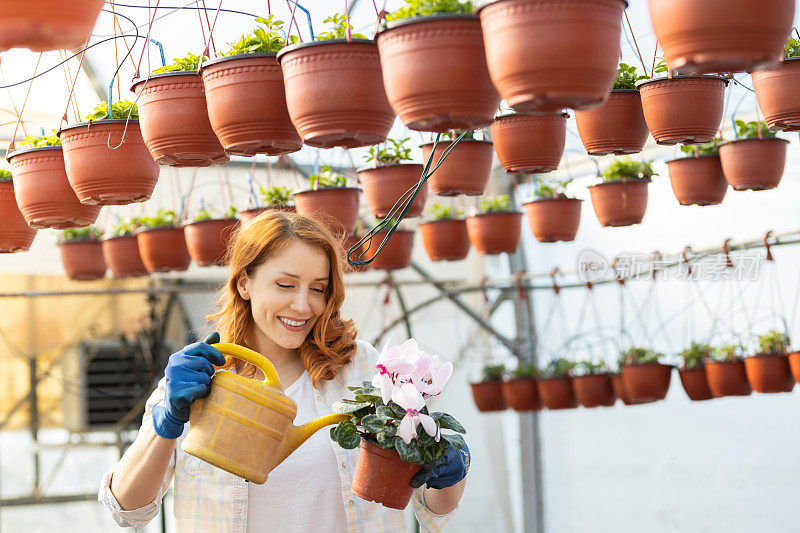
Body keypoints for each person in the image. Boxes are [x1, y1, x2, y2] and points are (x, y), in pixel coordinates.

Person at [99, 211, 469, 531]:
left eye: (318, 289)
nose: (302, 305)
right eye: (285, 284)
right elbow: (126, 508)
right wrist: (167, 423)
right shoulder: (199, 378)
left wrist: (449, 470)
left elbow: (432, 508)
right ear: (244, 283)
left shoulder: (361, 369)